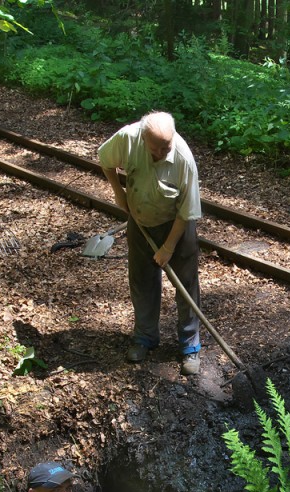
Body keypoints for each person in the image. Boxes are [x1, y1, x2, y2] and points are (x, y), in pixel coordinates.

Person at [98, 111, 203, 376]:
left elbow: (186, 212)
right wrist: (119, 194)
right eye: (155, 147)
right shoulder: (128, 138)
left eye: (165, 146)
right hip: (141, 221)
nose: (161, 152)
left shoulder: (183, 159)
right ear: (143, 137)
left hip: (175, 223)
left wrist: (168, 247)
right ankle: (145, 336)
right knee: (142, 280)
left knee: (186, 284)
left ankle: (190, 345)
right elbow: (104, 159)